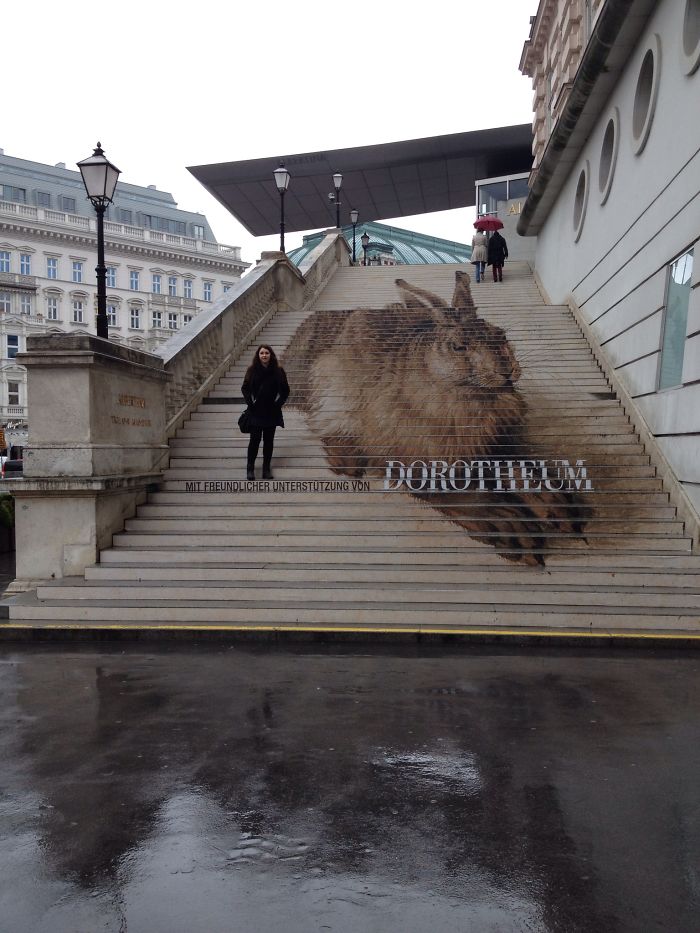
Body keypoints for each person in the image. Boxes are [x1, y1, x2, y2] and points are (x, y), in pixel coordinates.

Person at [241, 345, 290, 480]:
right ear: (258, 355)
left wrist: (278, 404)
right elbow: (245, 388)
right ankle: (250, 468)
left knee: (269, 441)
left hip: (271, 412)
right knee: (254, 441)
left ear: (271, 355)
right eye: (261, 353)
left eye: (266, 353)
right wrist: (250, 403)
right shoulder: (252, 370)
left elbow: (285, 390)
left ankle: (266, 469)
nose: (264, 355)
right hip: (256, 412)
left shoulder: (278, 371)